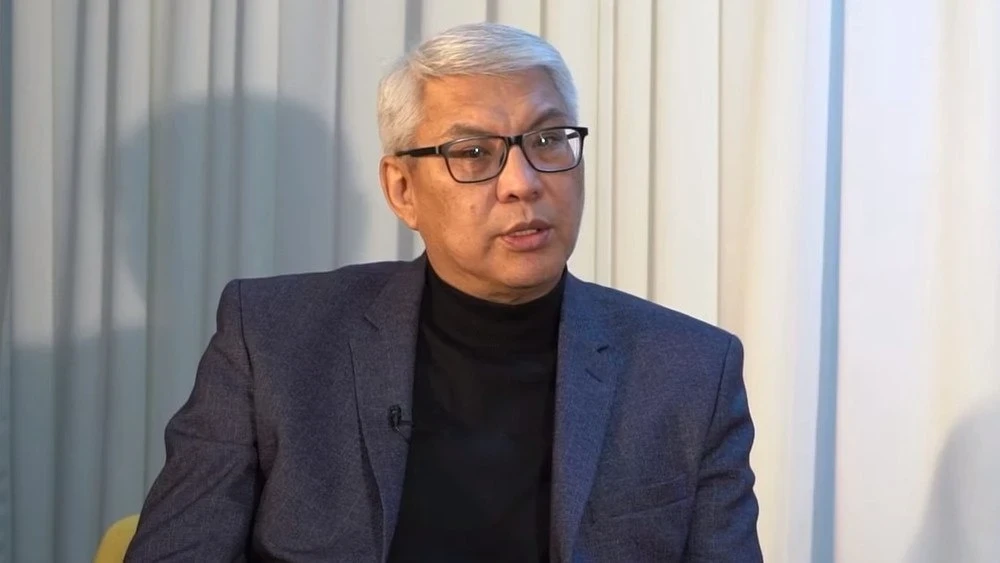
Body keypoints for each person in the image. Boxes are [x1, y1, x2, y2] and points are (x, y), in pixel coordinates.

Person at [125, 22, 762, 563]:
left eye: (547, 141)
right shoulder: (272, 339)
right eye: (474, 152)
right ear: (402, 190)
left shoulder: (689, 371)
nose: (522, 182)